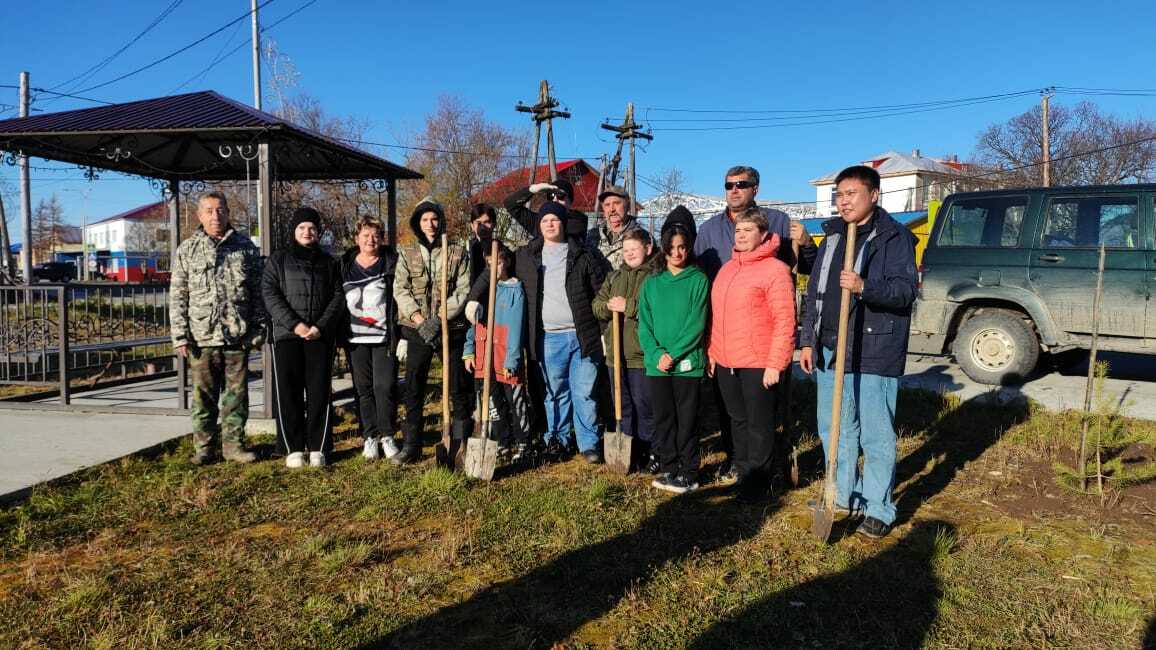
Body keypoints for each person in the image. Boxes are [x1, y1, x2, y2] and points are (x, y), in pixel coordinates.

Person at [799, 165, 918, 539]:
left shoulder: (894, 238)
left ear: (874, 196)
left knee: (875, 433)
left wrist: (865, 285)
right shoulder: (833, 236)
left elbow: (904, 292)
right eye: (839, 194)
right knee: (834, 429)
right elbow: (814, 292)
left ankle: (879, 507)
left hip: (873, 347)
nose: (843, 200)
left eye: (851, 193)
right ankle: (842, 495)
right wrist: (807, 339)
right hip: (831, 347)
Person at [694, 164, 817, 482]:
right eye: (728, 185)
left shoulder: (779, 222)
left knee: (760, 415)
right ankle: (737, 461)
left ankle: (759, 474)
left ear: (755, 188)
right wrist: (710, 347)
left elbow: (806, 270)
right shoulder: (708, 231)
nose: (734, 190)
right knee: (732, 413)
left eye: (741, 184)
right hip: (724, 340)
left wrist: (805, 244)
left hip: (758, 342)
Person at [708, 207, 797, 501]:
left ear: (763, 235)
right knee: (737, 420)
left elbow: (785, 320)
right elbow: (717, 317)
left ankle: (758, 483)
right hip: (726, 359)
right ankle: (744, 473)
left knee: (759, 423)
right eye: (738, 230)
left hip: (759, 361)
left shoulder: (775, 271)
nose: (742, 235)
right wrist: (713, 352)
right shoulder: (727, 269)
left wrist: (776, 363)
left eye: (749, 230)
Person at [170, 191, 265, 465]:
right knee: (203, 398)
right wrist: (179, 335)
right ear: (199, 215)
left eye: (220, 210)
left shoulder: (245, 247)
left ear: (228, 213)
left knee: (236, 398)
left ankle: (234, 446)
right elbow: (178, 295)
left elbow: (257, 292)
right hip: (201, 338)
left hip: (237, 336)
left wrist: (258, 329)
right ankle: (205, 448)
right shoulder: (187, 250)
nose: (216, 216)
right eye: (209, 211)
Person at [514, 201, 607, 463]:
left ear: (564, 224)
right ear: (539, 226)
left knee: (584, 391)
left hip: (583, 336)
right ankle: (557, 438)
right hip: (548, 337)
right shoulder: (527, 256)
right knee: (554, 392)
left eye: (554, 219)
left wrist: (604, 331)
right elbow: (493, 270)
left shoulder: (583, 254)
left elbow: (600, 293)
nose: (550, 224)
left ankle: (588, 443)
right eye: (544, 221)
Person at [392, 198, 473, 465]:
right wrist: (418, 318)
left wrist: (438, 318)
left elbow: (463, 290)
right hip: (417, 330)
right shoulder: (406, 253)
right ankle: (412, 445)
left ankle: (460, 444)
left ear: (441, 221)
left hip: (449, 328)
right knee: (414, 385)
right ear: (418, 223)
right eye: (425, 219)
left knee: (458, 386)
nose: (430, 224)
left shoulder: (457, 252)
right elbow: (400, 289)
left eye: (434, 219)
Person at [263, 207, 344, 468]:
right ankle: (292, 447)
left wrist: (320, 326)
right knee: (289, 392)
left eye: (311, 228)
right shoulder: (279, 260)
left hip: (320, 337)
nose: (307, 232)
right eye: (301, 228)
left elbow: (337, 296)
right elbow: (270, 293)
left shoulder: (329, 262)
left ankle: (319, 446)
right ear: (294, 231)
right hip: (288, 336)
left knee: (320, 391)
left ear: (318, 232)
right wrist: (295, 324)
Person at [638, 206, 710, 494]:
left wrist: (674, 354)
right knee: (664, 419)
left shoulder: (698, 280)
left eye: (682, 247)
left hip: (687, 365)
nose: (678, 253)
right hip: (657, 366)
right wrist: (656, 355)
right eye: (672, 248)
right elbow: (644, 324)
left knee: (687, 420)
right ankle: (669, 467)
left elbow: (696, 324)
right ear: (663, 249)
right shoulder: (652, 284)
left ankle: (689, 471)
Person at [592, 227, 656, 471]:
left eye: (634, 249)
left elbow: (655, 311)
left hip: (641, 355)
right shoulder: (615, 277)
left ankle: (649, 452)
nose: (629, 254)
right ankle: (628, 454)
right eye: (626, 250)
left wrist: (628, 306)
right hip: (615, 355)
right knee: (623, 405)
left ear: (648, 249)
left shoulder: (654, 277)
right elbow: (597, 305)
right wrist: (609, 307)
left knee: (644, 406)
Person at [463, 244, 532, 461]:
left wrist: (513, 359)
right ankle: (503, 442)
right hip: (485, 356)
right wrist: (469, 350)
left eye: (499, 262)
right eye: (490, 264)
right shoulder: (482, 290)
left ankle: (523, 442)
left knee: (515, 401)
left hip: (506, 356)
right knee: (493, 404)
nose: (495, 267)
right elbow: (473, 326)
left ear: (507, 262)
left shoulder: (515, 290)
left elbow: (517, 327)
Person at [340, 216, 400, 461]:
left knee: (384, 387)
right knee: (363, 390)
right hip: (355, 339)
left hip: (384, 337)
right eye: (365, 235)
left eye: (375, 235)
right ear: (357, 238)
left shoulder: (391, 262)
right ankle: (370, 437)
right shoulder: (344, 265)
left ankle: (387, 435)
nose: (370, 240)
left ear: (382, 238)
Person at [586, 185, 642, 271]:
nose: (612, 209)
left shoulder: (641, 238)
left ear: (627, 205)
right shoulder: (591, 236)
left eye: (616, 203)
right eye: (607, 205)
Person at [503, 178, 577, 238]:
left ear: (570, 201)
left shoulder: (578, 225)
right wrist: (533, 189)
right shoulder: (538, 222)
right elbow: (510, 204)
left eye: (560, 196)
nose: (555, 200)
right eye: (550, 196)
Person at [467, 203, 497, 287]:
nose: (482, 227)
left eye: (487, 222)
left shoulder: (501, 250)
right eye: (478, 223)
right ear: (472, 226)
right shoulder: (466, 251)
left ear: (494, 224)